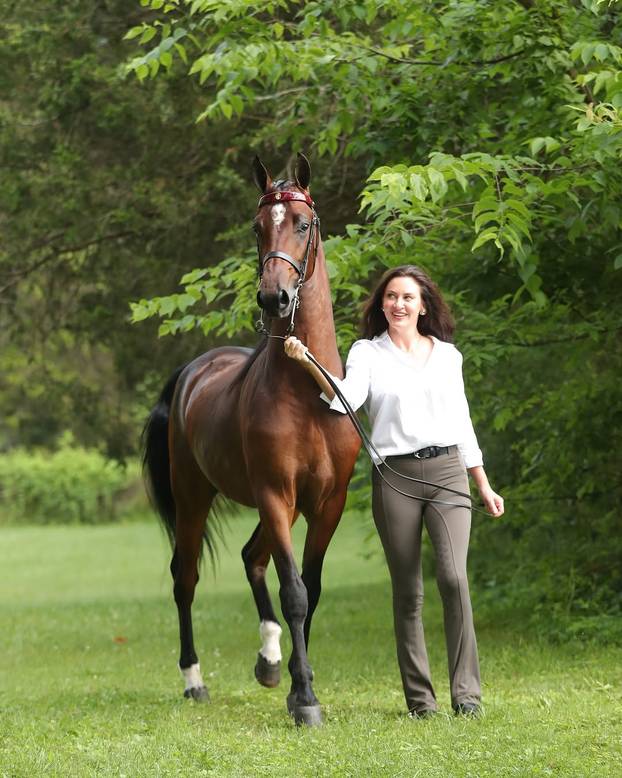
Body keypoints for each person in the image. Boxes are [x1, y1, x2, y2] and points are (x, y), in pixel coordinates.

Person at [284, 264, 504, 718]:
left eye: (407, 297)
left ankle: (467, 695)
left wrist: (482, 482)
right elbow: (346, 398)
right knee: (408, 591)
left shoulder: (448, 356)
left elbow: (462, 421)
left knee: (453, 578)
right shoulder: (367, 352)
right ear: (381, 305)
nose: (398, 304)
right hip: (395, 478)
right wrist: (307, 361)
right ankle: (421, 702)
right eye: (391, 296)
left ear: (423, 306)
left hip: (447, 473)